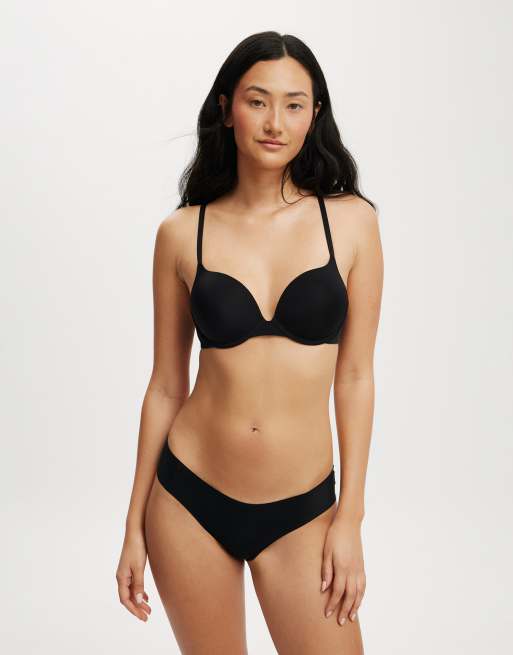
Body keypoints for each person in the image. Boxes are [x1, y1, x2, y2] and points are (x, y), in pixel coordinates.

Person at [116, 30, 383, 655]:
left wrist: (350, 516)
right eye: (257, 101)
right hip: (188, 500)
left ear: (315, 115)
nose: (274, 122)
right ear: (226, 107)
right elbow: (165, 385)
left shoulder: (351, 222)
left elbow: (356, 377)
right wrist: (132, 525)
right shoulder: (182, 232)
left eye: (294, 104)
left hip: (303, 510)